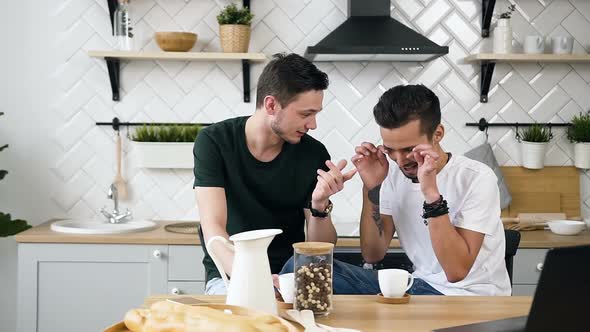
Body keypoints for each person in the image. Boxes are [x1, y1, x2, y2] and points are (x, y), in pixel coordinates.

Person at [281, 84, 511, 296]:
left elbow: (456, 271)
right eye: (391, 150)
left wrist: (431, 194)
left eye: (409, 149)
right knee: (302, 268)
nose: (400, 161)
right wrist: (372, 186)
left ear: (438, 133)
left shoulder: (477, 178)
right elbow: (373, 253)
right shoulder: (392, 175)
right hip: (418, 286)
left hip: (470, 298)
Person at [194, 53, 357, 295]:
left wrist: (319, 206)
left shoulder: (313, 153)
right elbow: (214, 230)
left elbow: (321, 248)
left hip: (292, 276)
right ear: (271, 105)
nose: (313, 125)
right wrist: (255, 278)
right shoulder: (215, 142)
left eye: (316, 114)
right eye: (305, 114)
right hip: (232, 276)